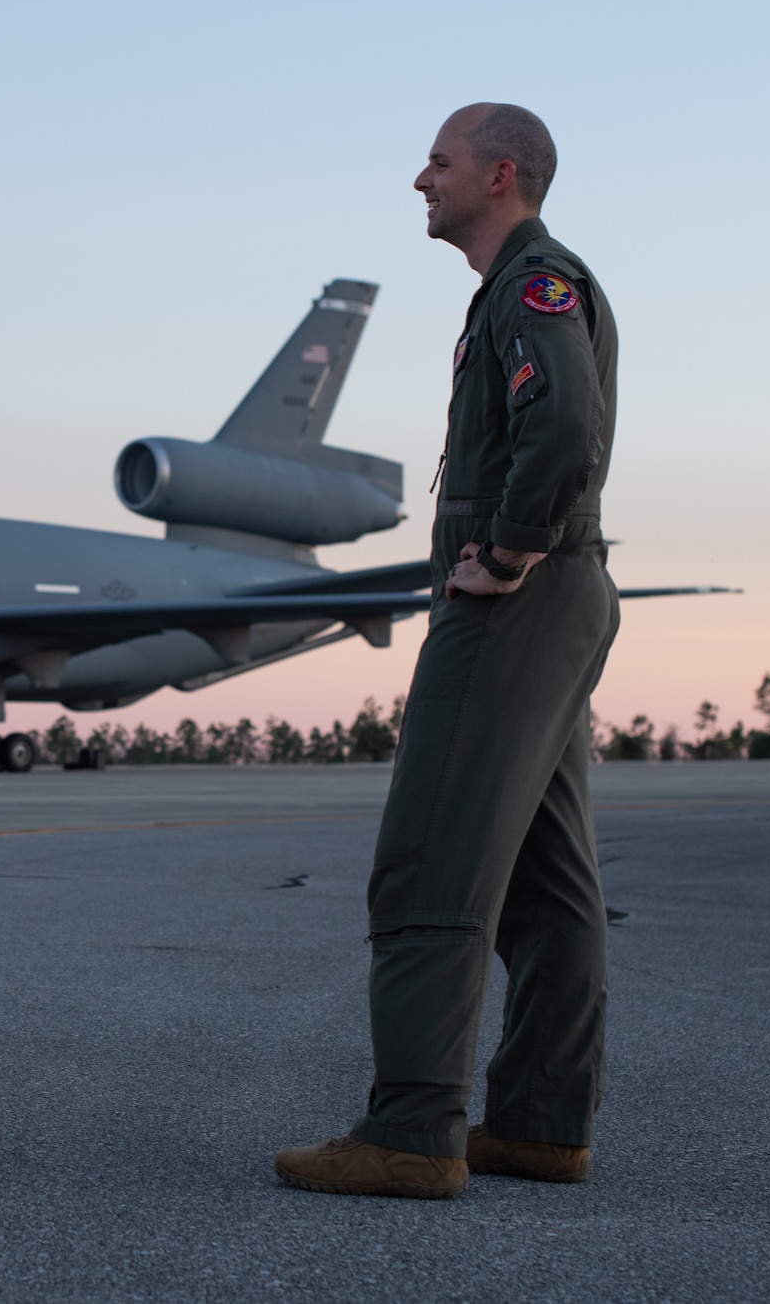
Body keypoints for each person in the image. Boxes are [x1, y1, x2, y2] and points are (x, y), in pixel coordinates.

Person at [275, 104, 622, 1198]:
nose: (418, 179)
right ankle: (536, 1124)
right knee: (543, 875)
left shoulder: (534, 283)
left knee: (428, 857)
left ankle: (412, 1128)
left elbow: (561, 426)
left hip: (517, 597)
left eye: (438, 162)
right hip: (562, 594)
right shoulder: (517, 287)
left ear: (499, 176)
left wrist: (508, 552)